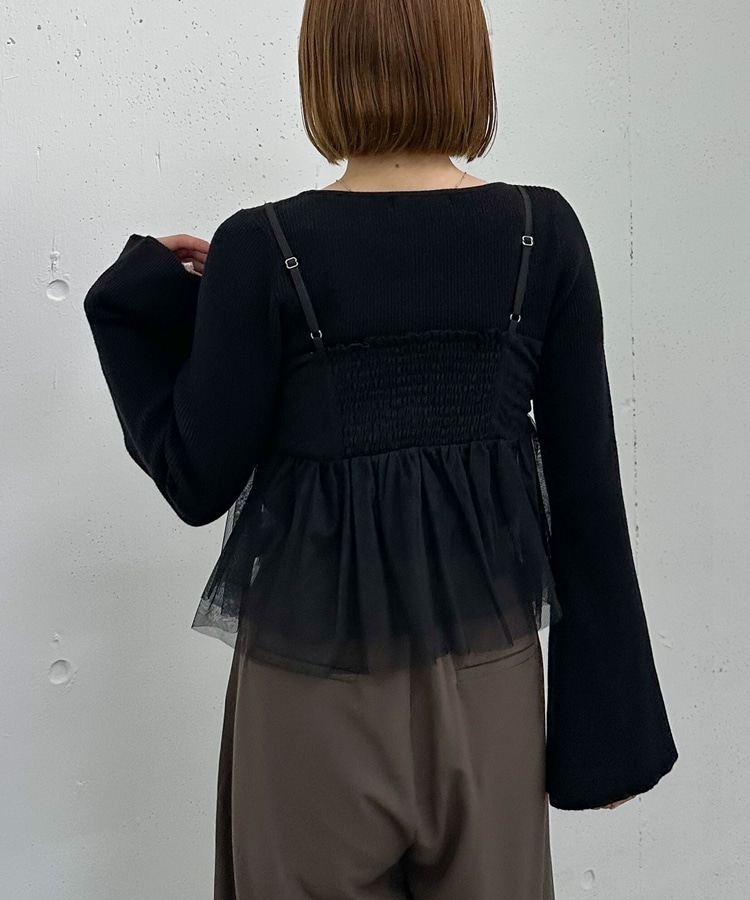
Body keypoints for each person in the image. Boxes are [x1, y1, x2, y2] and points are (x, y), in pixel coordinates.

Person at [83, 0, 679, 897]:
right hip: (488, 681)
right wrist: (608, 737)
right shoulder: (542, 233)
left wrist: (139, 304)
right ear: (467, 59)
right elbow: (587, 490)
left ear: (323, 66)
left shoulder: (262, 247)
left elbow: (197, 477)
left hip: (308, 687)